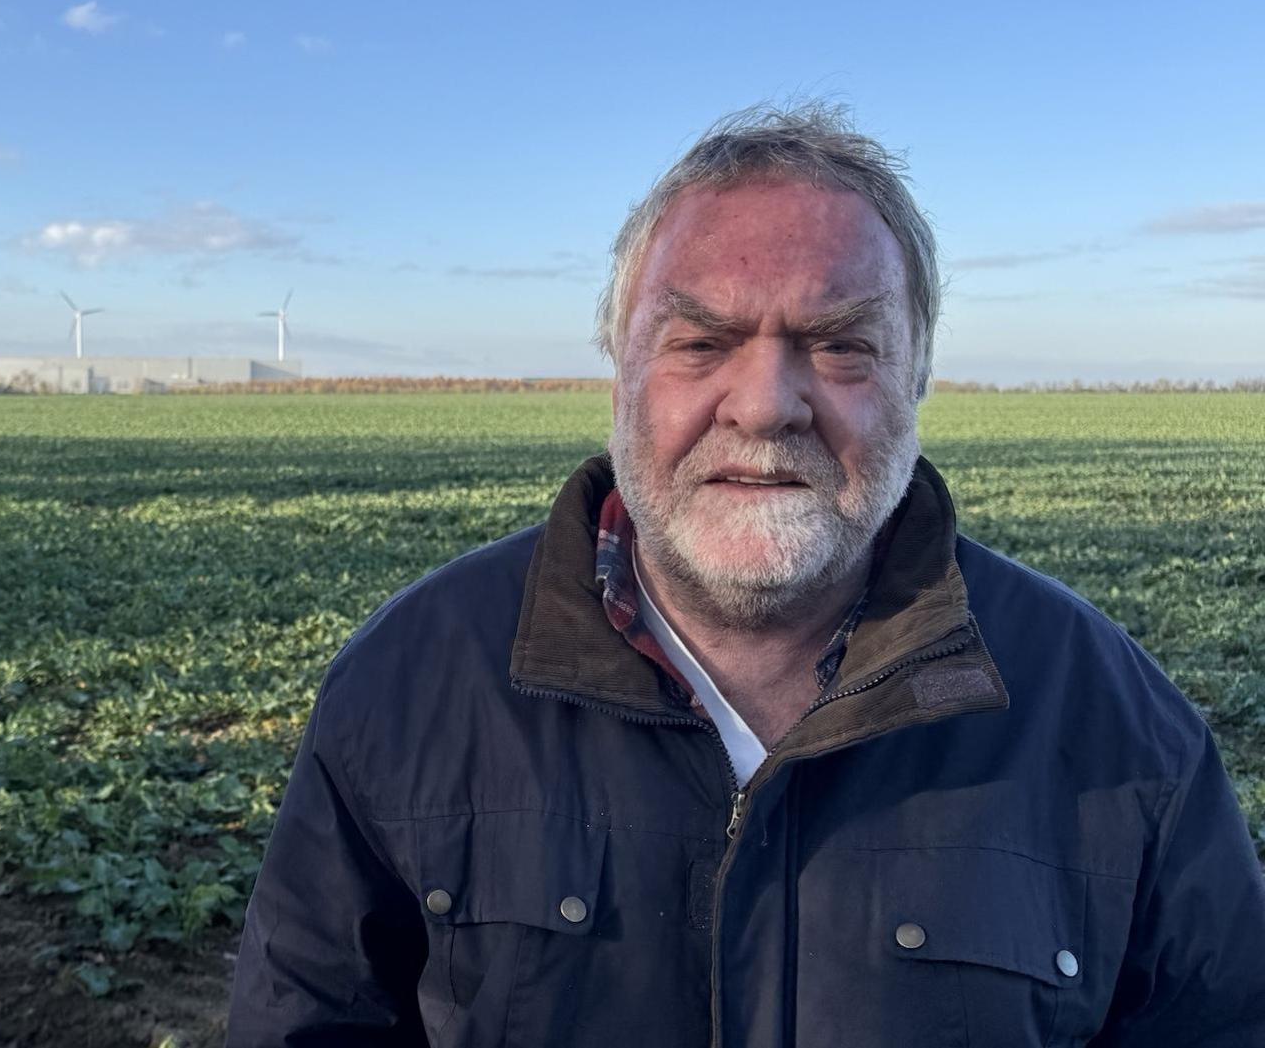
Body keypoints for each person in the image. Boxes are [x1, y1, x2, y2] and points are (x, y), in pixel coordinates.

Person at [224, 103, 1265, 1047]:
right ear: (621, 366)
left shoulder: (1122, 735)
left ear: (919, 376)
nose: (765, 404)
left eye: (842, 344)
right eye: (702, 340)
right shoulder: (408, 689)